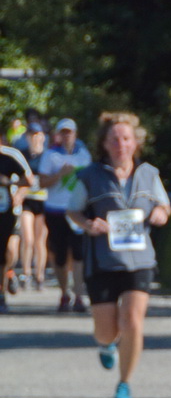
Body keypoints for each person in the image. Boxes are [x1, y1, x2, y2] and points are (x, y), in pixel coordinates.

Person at [67, 111, 171, 398]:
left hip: (139, 261)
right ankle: (105, 345)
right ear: (104, 143)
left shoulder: (149, 173)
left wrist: (162, 213)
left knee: (133, 322)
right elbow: (73, 210)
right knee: (106, 330)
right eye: (114, 139)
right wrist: (88, 224)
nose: (121, 144)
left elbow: (163, 205)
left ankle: (124, 383)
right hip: (103, 261)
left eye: (126, 138)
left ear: (136, 142)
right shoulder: (87, 176)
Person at [40, 118, 91, 313]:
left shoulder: (84, 155)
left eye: (70, 132)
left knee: (78, 254)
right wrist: (60, 174)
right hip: (55, 210)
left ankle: (79, 296)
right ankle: (64, 292)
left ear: (75, 134)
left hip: (78, 210)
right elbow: (42, 182)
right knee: (60, 255)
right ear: (58, 135)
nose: (67, 135)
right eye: (63, 132)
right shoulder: (50, 155)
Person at [0, 141, 32, 311]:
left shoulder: (10, 156)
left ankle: (8, 272)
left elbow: (29, 180)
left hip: (9, 211)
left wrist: (10, 184)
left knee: (9, 250)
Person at [19, 124, 49, 290]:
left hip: (43, 201)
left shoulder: (48, 155)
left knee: (40, 241)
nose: (35, 137)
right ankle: (26, 273)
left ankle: (40, 275)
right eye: (32, 134)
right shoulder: (23, 156)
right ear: (27, 137)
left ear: (43, 136)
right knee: (28, 238)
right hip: (27, 200)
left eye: (38, 134)